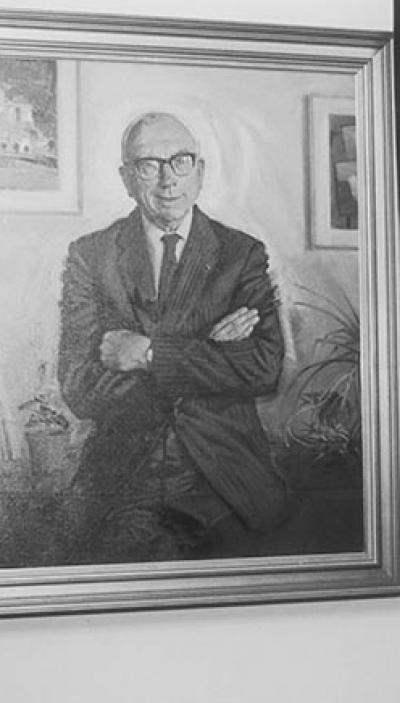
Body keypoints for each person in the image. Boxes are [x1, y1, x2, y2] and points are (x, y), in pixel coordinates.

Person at [57, 111, 286, 563]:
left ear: (200, 172)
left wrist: (146, 353)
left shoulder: (241, 255)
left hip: (225, 478)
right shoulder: (91, 256)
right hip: (123, 479)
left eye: (180, 161)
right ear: (126, 178)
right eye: (148, 165)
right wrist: (208, 351)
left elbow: (264, 367)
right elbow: (80, 387)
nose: (167, 180)